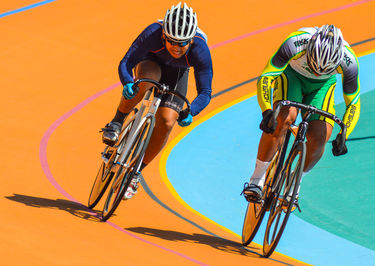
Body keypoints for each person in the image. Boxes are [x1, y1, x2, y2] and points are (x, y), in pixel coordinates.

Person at [102, 2, 213, 200]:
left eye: (182, 43)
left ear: (191, 41)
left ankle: (136, 172)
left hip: (177, 73)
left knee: (168, 121)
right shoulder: (153, 33)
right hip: (151, 61)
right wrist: (128, 82)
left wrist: (191, 112)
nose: (177, 48)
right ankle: (117, 122)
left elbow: (205, 92)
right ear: (164, 35)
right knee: (147, 82)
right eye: (171, 41)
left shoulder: (200, 50)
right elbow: (126, 62)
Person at [242, 25, 360, 207]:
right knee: (285, 118)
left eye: (324, 69)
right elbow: (267, 76)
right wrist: (267, 112)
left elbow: (353, 103)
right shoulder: (296, 42)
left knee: (320, 137)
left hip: (321, 87)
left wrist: (344, 134)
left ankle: (294, 181)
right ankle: (257, 178)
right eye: (314, 65)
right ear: (310, 49)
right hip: (292, 76)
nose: (317, 72)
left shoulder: (349, 61)